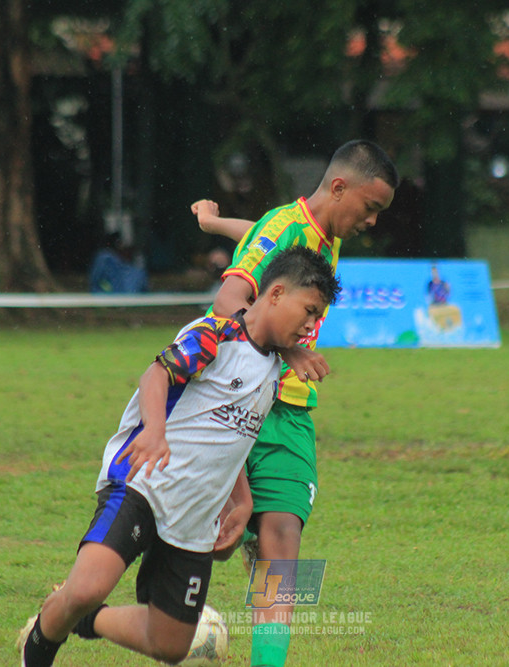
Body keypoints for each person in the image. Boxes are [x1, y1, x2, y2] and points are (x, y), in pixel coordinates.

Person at [18, 246, 341, 667]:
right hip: (145, 482)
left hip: (193, 517)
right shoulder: (216, 335)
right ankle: (41, 643)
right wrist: (154, 432)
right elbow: (156, 374)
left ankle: (89, 621)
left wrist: (241, 501)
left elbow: (232, 435)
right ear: (276, 293)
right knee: (84, 589)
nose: (313, 326)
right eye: (310, 311)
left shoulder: (275, 364)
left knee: (170, 644)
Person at [193, 140, 398, 667]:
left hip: (292, 415)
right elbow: (228, 302)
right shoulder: (289, 225)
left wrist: (219, 225)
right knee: (208, 539)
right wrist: (291, 346)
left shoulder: (316, 234)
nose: (371, 222)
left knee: (282, 541)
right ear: (338, 188)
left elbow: (262, 239)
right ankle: (89, 598)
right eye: (370, 208)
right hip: (242, 403)